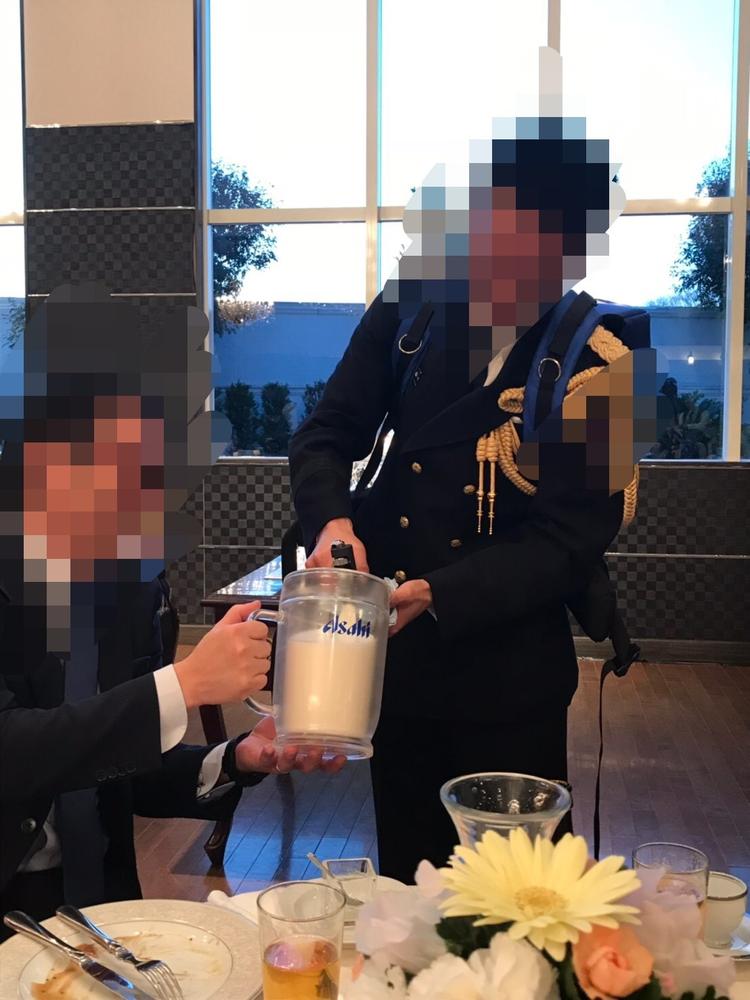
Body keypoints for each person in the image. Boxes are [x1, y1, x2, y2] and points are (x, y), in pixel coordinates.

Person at [289, 105, 653, 882]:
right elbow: (325, 434)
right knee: (406, 890)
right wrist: (331, 522)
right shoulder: (409, 309)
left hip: (510, 680)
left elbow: (571, 541)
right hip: (399, 669)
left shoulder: (611, 357)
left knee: (517, 900)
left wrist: (440, 592)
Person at [0, 288, 345, 933]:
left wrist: (239, 757)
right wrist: (183, 684)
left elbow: (116, 759)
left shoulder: (130, 584)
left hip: (100, 906)